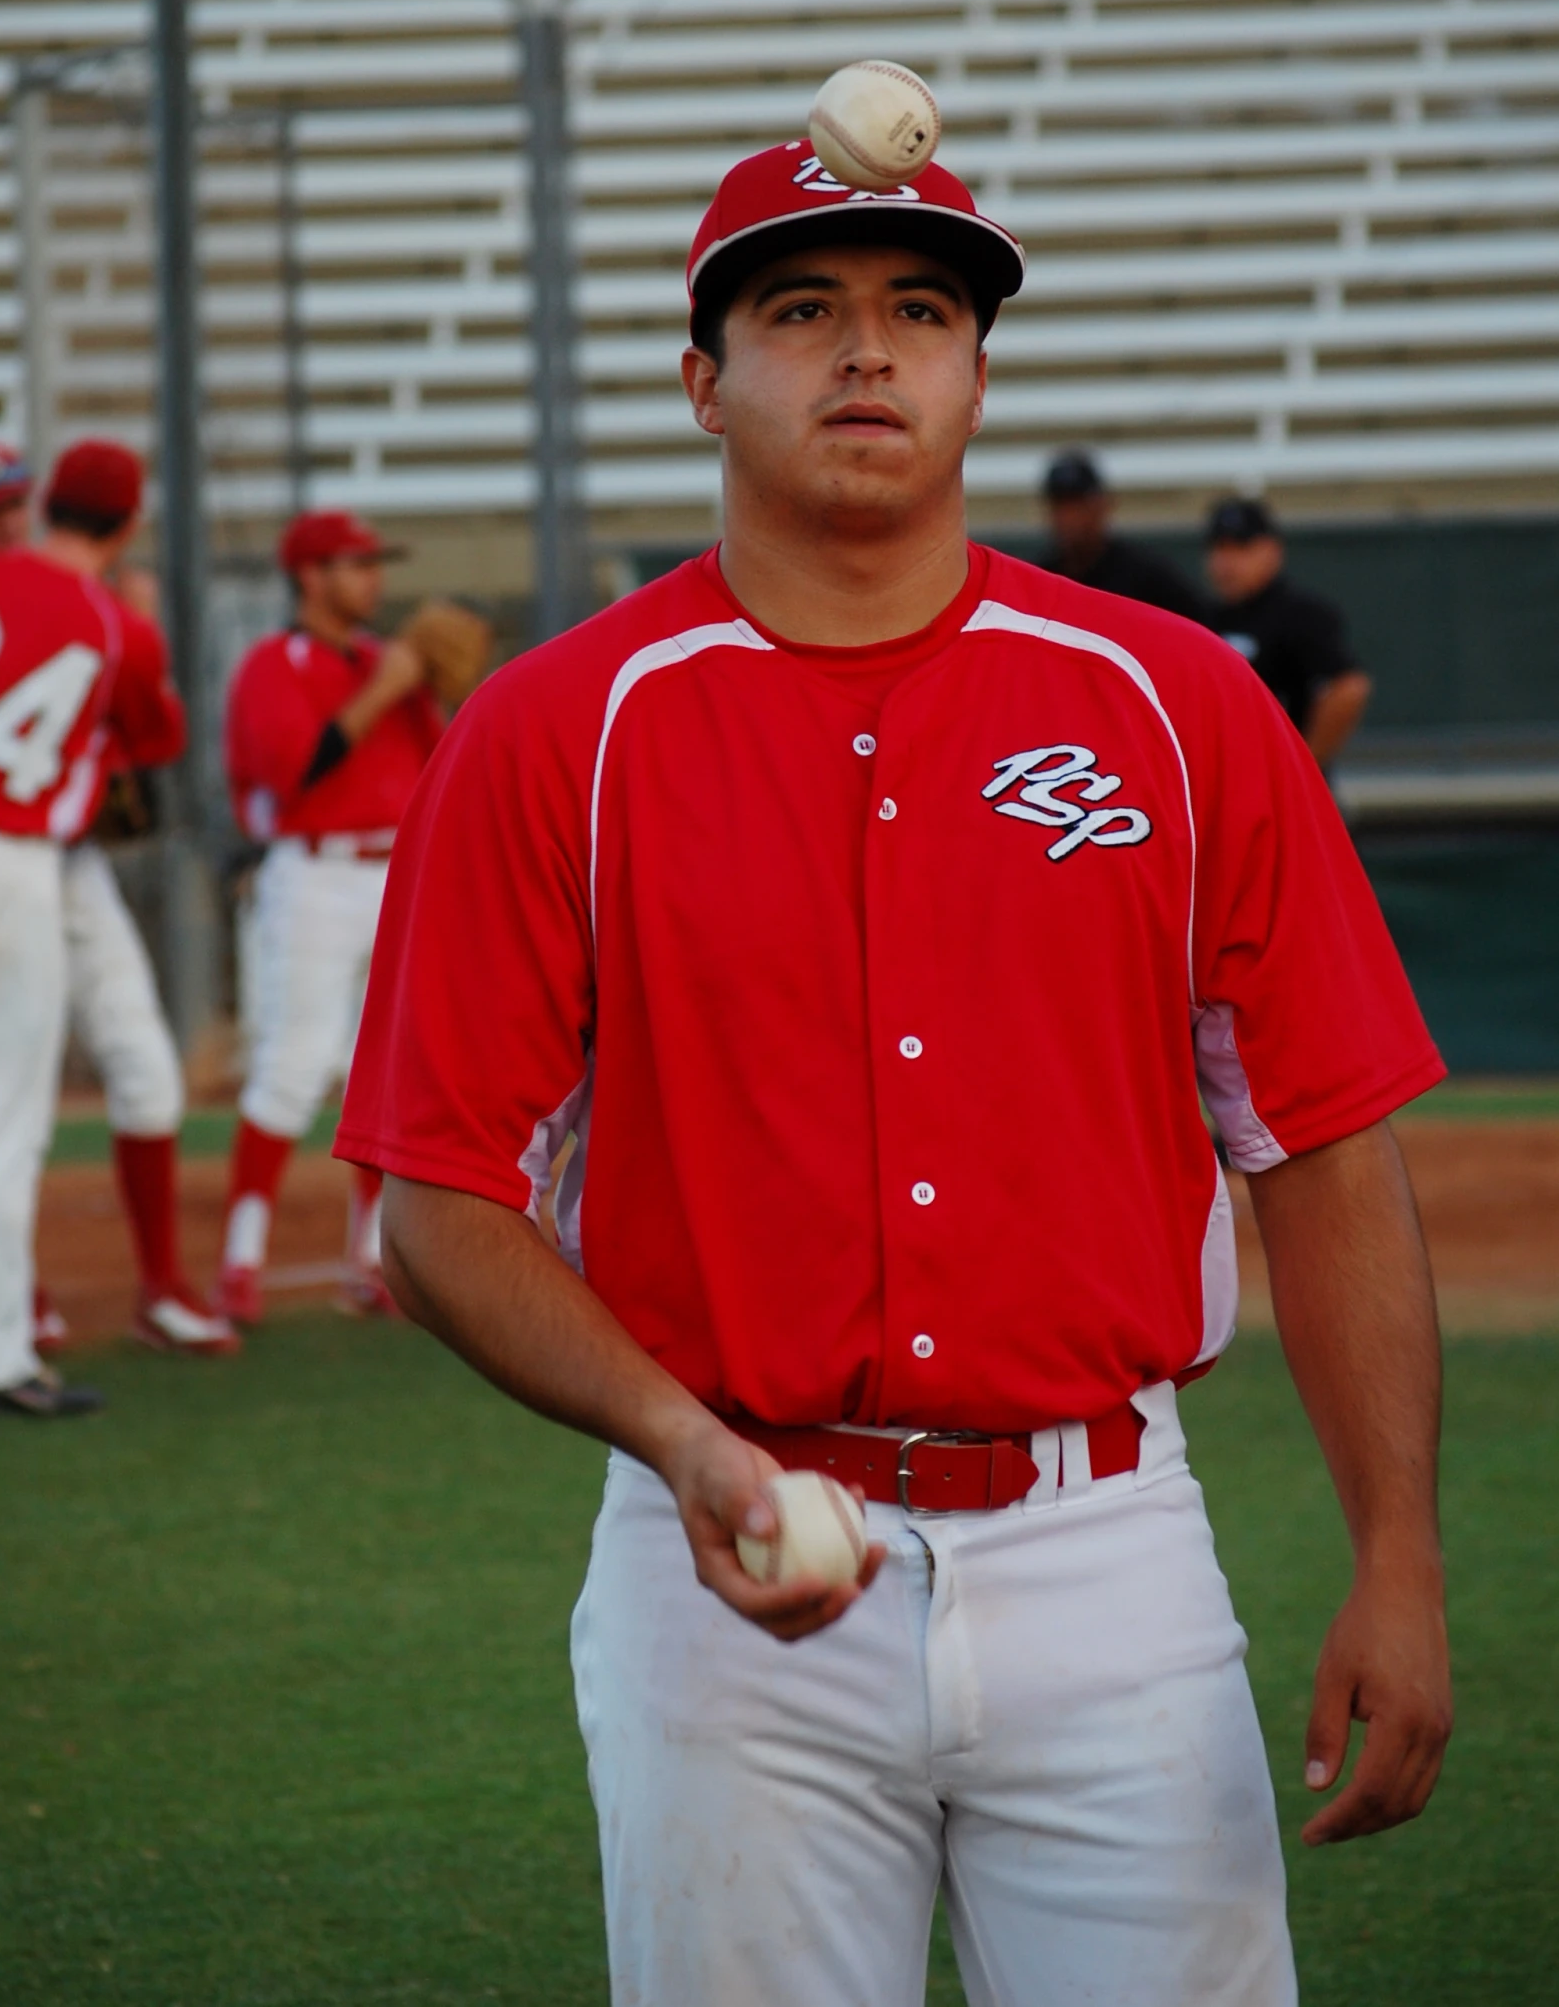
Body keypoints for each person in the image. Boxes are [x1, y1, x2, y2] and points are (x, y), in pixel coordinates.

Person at [337, 132, 1452, 2006]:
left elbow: (1321, 1144)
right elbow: (435, 1201)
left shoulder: (1180, 706)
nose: (870, 353)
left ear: (978, 373)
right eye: (802, 310)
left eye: (921, 312)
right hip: (723, 1566)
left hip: (1113, 1553)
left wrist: (1399, 1552)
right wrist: (685, 1444)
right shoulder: (555, 731)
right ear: (704, 378)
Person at [0, 447, 234, 1360]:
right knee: (12, 1108)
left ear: (42, 504)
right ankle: (14, 1319)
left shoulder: (30, 586)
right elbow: (160, 734)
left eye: (16, 503)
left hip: (65, 861)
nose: (8, 520)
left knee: (141, 1066)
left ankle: (159, 1289)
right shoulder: (108, 619)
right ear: (127, 525)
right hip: (23, 853)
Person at [217, 510, 442, 1325]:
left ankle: (370, 1257)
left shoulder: (393, 663)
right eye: (355, 564)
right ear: (309, 575)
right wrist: (387, 687)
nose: (373, 579)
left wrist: (430, 688)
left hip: (392, 877)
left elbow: (438, 766)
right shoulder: (273, 664)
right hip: (313, 874)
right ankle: (241, 1258)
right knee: (293, 1065)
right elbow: (295, 769)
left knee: (381, 1073)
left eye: (375, 563)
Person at [1205, 497, 1373, 769]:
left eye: (1241, 548)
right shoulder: (1202, 619)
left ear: (1272, 550)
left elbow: (1349, 687)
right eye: (1219, 549)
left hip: (1282, 782)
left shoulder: (1301, 615)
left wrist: (1304, 763)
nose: (1227, 562)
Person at [1041, 447, 1206, 619]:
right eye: (1060, 506)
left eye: (1078, 505)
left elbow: (1197, 624)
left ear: (1102, 505)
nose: (1069, 517)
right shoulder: (1044, 580)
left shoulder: (1144, 576)